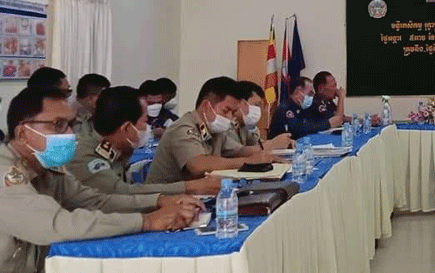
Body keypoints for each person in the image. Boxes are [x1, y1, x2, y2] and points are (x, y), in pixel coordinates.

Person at [0, 87, 203, 272]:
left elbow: (97, 202)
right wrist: (146, 221)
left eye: (71, 124)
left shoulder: (47, 169)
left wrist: (158, 201)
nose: (70, 134)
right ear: (23, 133)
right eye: (58, 125)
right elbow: (57, 224)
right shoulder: (5, 173)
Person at [67, 86, 220, 196]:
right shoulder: (87, 155)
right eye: (145, 121)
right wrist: (188, 187)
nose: (148, 128)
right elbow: (122, 193)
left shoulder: (118, 150)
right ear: (127, 128)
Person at [145, 76, 282, 184]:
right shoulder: (183, 128)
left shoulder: (214, 130)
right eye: (226, 111)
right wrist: (248, 162)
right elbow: (198, 165)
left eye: (233, 112)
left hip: (194, 196)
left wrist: (265, 156)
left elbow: (239, 150)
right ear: (206, 106)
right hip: (163, 200)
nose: (230, 117)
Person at [269, 76, 344, 139]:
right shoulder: (285, 108)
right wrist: (328, 124)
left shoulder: (302, 108)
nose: (312, 97)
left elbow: (311, 124)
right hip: (278, 149)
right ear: (298, 93)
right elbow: (298, 129)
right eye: (310, 94)